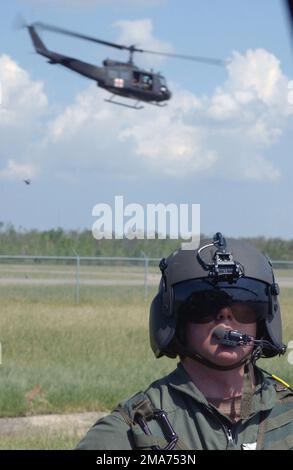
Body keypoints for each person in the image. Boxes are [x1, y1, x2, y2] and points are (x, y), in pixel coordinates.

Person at [76, 232, 293, 450]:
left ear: (262, 319)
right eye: (206, 305)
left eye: (244, 306)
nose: (226, 317)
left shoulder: (287, 415)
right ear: (178, 320)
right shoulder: (138, 429)